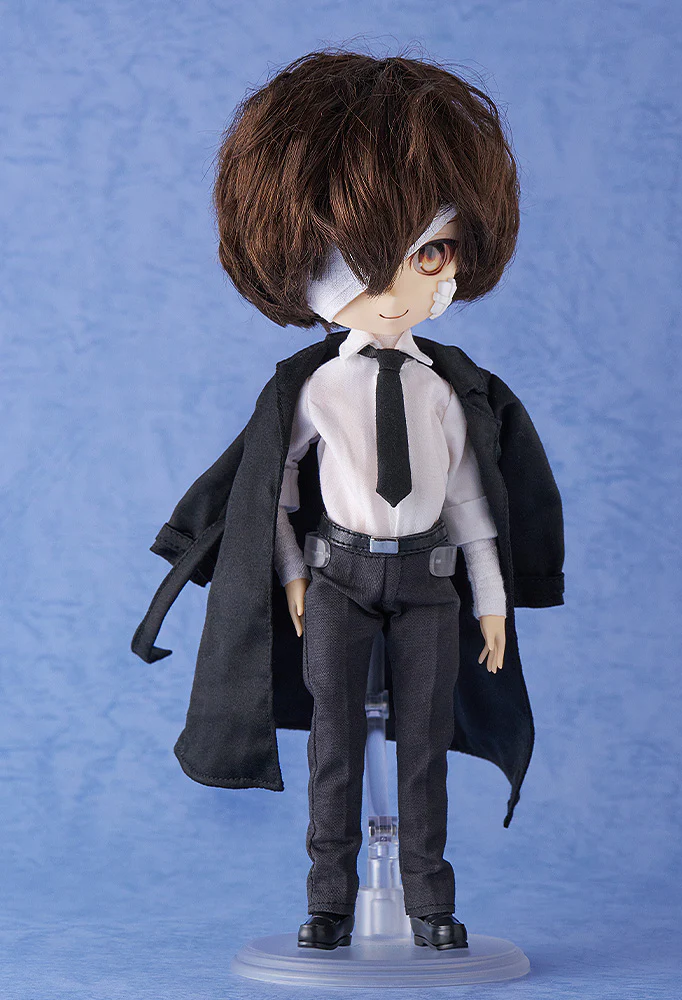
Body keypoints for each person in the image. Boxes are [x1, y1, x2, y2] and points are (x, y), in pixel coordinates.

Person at [131, 49, 565, 953]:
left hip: (429, 584)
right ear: (299, 265)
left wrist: (491, 600)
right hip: (336, 582)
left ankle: (430, 904)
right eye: (358, 261)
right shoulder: (312, 390)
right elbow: (275, 492)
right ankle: (328, 901)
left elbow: (471, 503)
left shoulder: (449, 390)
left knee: (423, 747)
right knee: (334, 745)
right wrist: (292, 574)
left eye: (430, 251)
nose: (402, 288)